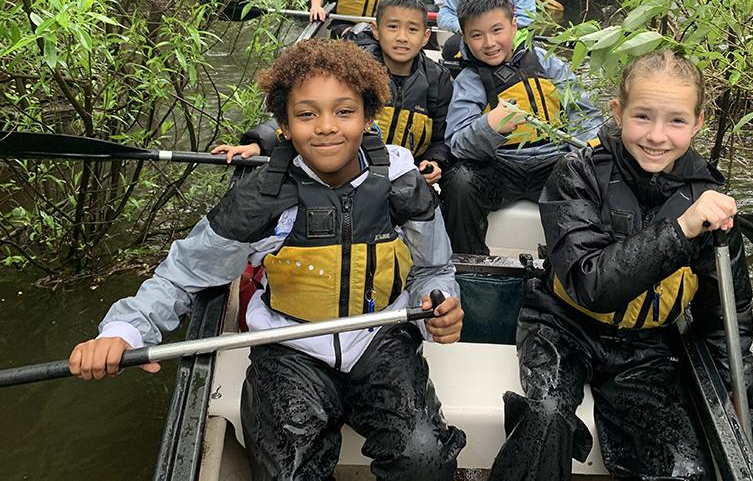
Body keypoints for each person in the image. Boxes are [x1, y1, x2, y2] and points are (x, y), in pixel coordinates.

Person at [69, 40, 466, 480]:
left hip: (382, 340)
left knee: (425, 458)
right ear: (285, 125)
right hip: (289, 349)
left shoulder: (402, 182)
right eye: (307, 114)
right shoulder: (260, 198)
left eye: (344, 111)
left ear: (368, 117)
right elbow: (183, 277)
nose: (327, 127)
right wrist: (124, 331)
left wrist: (440, 303)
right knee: (288, 470)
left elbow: (434, 268)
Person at [487, 49, 753, 481]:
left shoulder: (712, 207)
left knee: (683, 468)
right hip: (563, 326)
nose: (657, 135)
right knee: (545, 417)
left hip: (647, 346)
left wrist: (751, 443)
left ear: (697, 124)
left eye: (676, 121)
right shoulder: (576, 174)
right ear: (618, 113)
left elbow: (728, 327)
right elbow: (591, 284)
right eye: (642, 117)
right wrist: (680, 230)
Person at [217, 0, 453, 186]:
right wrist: (258, 143)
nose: (402, 37)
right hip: (347, 172)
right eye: (393, 27)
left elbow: (441, 139)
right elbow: (305, 112)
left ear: (425, 37)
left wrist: (434, 161)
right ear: (376, 30)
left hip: (405, 178)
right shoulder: (351, 68)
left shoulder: (438, 79)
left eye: (412, 30)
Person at [441, 0, 601, 255]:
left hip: (554, 163)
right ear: (465, 38)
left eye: (497, 30)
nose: (489, 43)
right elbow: (457, 144)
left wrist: (587, 147)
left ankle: (574, 265)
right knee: (459, 183)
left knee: (592, 177)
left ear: (513, 25)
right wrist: (489, 127)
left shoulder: (546, 61)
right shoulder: (469, 81)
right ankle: (472, 268)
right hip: (501, 168)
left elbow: (584, 113)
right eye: (477, 35)